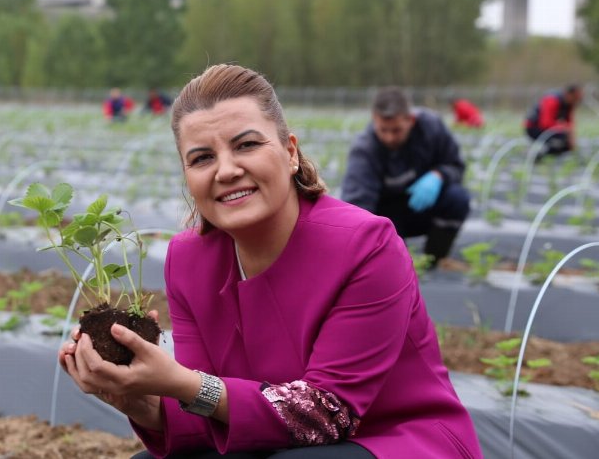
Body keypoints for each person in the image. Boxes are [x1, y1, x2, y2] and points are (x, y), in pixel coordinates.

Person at [59, 65, 482, 458]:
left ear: (290, 151)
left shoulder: (366, 246)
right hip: (281, 441)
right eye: (202, 157)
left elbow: (327, 413)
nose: (226, 170)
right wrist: (140, 401)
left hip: (396, 440)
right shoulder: (188, 259)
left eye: (246, 144)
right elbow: (211, 406)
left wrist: (181, 382)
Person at [341, 87, 470, 267]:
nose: (389, 137)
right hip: (387, 217)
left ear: (411, 120)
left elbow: (456, 165)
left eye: (397, 130)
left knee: (457, 198)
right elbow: (358, 205)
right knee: (393, 264)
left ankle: (432, 261)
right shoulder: (365, 149)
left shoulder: (431, 128)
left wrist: (439, 175)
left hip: (422, 207)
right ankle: (396, 263)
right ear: (374, 120)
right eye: (383, 130)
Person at [524, 84, 582, 157]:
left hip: (549, 128)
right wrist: (564, 129)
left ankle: (545, 155)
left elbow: (569, 122)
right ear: (569, 94)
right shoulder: (552, 100)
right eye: (576, 97)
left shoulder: (569, 104)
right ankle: (536, 153)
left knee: (567, 144)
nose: (578, 100)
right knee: (562, 139)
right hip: (534, 128)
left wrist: (571, 134)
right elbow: (545, 123)